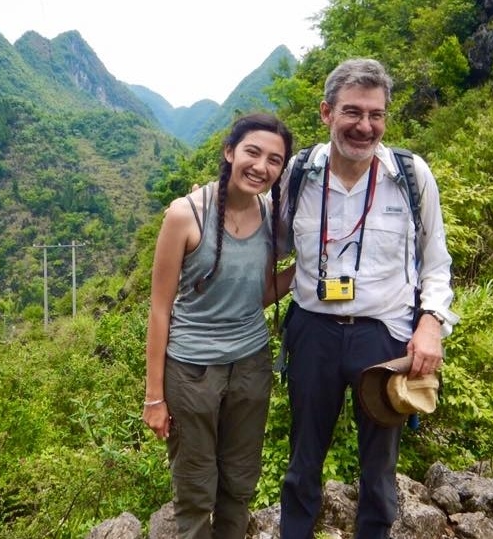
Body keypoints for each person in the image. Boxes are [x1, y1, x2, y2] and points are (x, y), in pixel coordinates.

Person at [277, 58, 458, 539]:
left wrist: (431, 324)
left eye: (375, 114)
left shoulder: (410, 175)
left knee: (379, 469)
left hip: (384, 337)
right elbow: (262, 242)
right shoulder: (298, 175)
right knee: (303, 460)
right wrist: (205, 208)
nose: (365, 126)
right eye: (352, 112)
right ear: (326, 113)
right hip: (311, 330)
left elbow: (436, 262)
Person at [143, 112, 295, 539]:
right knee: (195, 485)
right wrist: (154, 398)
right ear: (229, 152)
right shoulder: (185, 215)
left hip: (251, 365)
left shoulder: (270, 216)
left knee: (240, 479)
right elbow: (160, 309)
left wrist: (306, 272)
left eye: (274, 160)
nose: (261, 166)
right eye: (252, 152)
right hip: (192, 373)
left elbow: (257, 295)